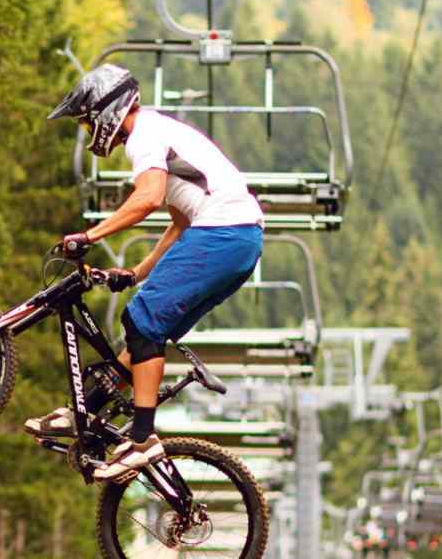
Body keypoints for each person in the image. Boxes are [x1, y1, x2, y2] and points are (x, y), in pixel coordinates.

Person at [24, 64, 264, 481]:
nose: (86, 129)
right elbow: (179, 223)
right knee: (144, 335)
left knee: (142, 321)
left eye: (85, 120)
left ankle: (142, 439)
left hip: (226, 232)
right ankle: (83, 412)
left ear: (106, 111)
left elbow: (148, 197)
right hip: (238, 240)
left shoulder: (145, 137)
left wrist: (89, 235)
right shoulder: (160, 133)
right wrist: (137, 273)